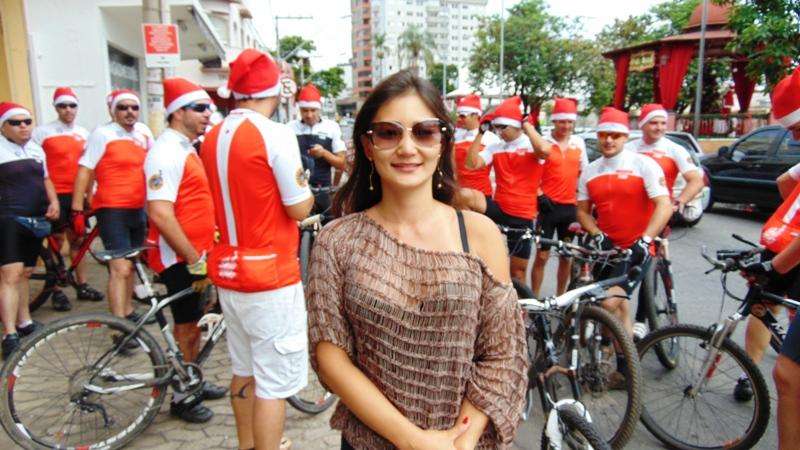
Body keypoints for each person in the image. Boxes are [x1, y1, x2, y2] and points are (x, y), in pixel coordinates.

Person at [307, 69, 527, 450]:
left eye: (424, 132)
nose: (407, 148)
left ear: (442, 142)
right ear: (368, 145)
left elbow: (502, 351)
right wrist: (414, 441)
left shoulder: (480, 234)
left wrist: (461, 440)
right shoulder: (336, 241)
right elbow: (331, 357)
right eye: (389, 133)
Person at [201, 48, 313, 450]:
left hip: (229, 270)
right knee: (273, 384)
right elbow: (298, 207)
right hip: (270, 274)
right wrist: (308, 194)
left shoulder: (212, 135)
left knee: (243, 368)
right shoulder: (275, 134)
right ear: (275, 90)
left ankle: (247, 445)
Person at [143, 77, 228, 423]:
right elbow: (160, 213)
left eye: (209, 107)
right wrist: (193, 258)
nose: (208, 113)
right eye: (200, 108)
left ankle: (192, 379)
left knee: (194, 323)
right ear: (178, 113)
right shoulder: (165, 152)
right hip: (179, 257)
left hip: (196, 254)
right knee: (186, 326)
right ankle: (182, 397)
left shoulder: (185, 148)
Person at [740, 67, 800, 450]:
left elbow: (784, 184)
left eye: (797, 128)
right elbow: (785, 182)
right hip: (786, 248)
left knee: (788, 375)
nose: (793, 138)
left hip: (785, 252)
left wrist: (771, 266)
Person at [576, 107, 671, 342]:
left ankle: (612, 350)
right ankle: (623, 359)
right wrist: (596, 233)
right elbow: (582, 211)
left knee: (608, 303)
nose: (608, 140)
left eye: (615, 135)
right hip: (607, 251)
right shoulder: (590, 171)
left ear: (626, 136)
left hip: (636, 250)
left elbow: (664, 205)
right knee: (619, 309)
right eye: (603, 135)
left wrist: (646, 240)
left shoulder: (643, 164)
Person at [71, 90, 153, 321]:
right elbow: (85, 169)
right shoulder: (102, 134)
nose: (129, 112)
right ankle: (118, 324)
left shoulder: (143, 133)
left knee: (131, 265)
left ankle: (127, 311)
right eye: (123, 107)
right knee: (120, 269)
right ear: (113, 111)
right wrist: (77, 209)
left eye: (134, 107)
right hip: (112, 209)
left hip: (138, 208)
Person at [31, 87, 103, 311]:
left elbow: (90, 167)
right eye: (62, 106)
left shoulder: (84, 133)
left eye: (72, 105)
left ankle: (82, 284)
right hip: (54, 194)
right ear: (56, 108)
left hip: (76, 194)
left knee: (78, 239)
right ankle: (56, 290)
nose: (68, 110)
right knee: (56, 239)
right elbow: (36, 165)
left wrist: (89, 193)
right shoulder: (42, 132)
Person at [463, 96, 548, 282]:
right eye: (496, 127)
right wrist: (480, 133)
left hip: (522, 216)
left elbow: (544, 150)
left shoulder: (531, 145)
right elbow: (471, 164)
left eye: (503, 127)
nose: (499, 132)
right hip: (500, 209)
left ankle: (521, 301)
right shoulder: (496, 147)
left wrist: (527, 125)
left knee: (517, 274)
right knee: (463, 195)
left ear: (517, 125)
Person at [0, 102, 59, 357]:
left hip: (36, 219)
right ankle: (9, 333)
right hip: (9, 219)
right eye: (16, 123)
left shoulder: (35, 148)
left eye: (27, 121)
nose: (23, 126)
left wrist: (54, 201)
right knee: (10, 275)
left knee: (25, 272)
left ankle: (25, 322)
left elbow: (45, 178)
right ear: (3, 127)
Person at [530, 98, 588, 296]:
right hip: (548, 208)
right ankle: (534, 299)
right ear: (554, 121)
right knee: (542, 257)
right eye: (562, 121)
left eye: (570, 122)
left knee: (566, 256)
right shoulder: (544, 143)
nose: (566, 126)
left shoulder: (579, 143)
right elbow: (531, 173)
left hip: (569, 210)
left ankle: (561, 297)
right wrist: (539, 195)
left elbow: (584, 174)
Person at [624, 103, 704, 217]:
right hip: (627, 212)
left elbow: (696, 181)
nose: (659, 128)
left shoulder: (675, 149)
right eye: (653, 123)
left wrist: (679, 201)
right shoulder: (628, 148)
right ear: (642, 124)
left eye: (663, 123)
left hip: (658, 215)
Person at [289, 83, 347, 214]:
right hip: (299, 192)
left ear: (319, 109)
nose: (309, 115)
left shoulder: (332, 127)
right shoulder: (290, 128)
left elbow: (342, 164)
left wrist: (324, 153)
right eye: (305, 110)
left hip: (324, 190)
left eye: (313, 110)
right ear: (299, 110)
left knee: (329, 225)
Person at [452, 93, 500, 199]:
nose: (459, 119)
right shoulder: (456, 136)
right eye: (458, 115)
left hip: (482, 195)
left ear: (475, 116)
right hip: (459, 194)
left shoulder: (491, 139)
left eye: (462, 116)